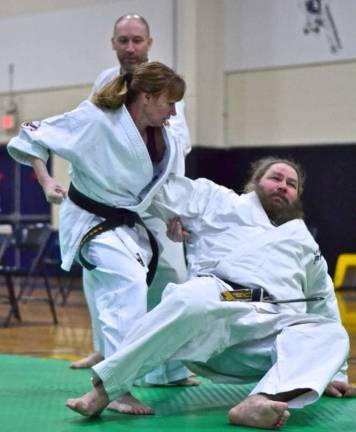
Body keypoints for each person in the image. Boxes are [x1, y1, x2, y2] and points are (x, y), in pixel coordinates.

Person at [65, 157, 356, 429]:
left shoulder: (303, 240)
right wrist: (161, 217)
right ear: (254, 182)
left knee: (332, 333)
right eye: (275, 178)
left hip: (273, 327)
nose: (282, 186)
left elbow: (323, 300)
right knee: (192, 298)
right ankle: (106, 389)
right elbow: (155, 190)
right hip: (229, 298)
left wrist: (335, 373)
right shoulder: (218, 201)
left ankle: (259, 401)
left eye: (291, 184)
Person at [7, 61, 187, 415]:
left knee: (171, 284)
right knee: (127, 284)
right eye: (169, 102)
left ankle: (167, 370)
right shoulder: (96, 118)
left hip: (129, 222)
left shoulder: (162, 133)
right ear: (147, 97)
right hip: (91, 218)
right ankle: (116, 389)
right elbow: (31, 135)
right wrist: (46, 182)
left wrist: (172, 217)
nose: (174, 110)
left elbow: (157, 187)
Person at [70, 13, 196, 398]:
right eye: (123, 40)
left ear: (149, 42)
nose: (130, 47)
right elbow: (89, 138)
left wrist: (174, 208)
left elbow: (179, 146)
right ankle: (108, 355)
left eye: (136, 40)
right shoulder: (104, 85)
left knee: (172, 280)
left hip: (157, 202)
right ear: (113, 43)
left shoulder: (165, 86)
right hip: (111, 203)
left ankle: (171, 369)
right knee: (106, 279)